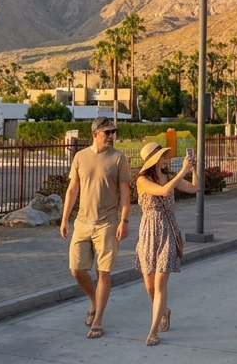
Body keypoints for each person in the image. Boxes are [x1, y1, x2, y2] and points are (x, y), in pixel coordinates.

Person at [60, 117, 131, 339]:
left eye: (113, 132)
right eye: (107, 132)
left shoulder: (119, 158)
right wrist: (64, 219)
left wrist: (124, 220)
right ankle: (93, 300)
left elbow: (126, 192)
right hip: (82, 222)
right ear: (95, 134)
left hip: (107, 223)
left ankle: (98, 319)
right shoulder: (81, 157)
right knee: (77, 269)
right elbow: (73, 189)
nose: (111, 136)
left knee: (104, 272)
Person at [134, 142, 199, 347]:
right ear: (153, 160)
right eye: (163, 157)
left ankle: (153, 331)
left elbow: (194, 188)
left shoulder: (170, 177)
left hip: (167, 232)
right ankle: (164, 310)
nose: (166, 159)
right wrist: (182, 171)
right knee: (150, 284)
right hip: (148, 232)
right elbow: (162, 192)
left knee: (161, 284)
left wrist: (194, 168)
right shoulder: (142, 180)